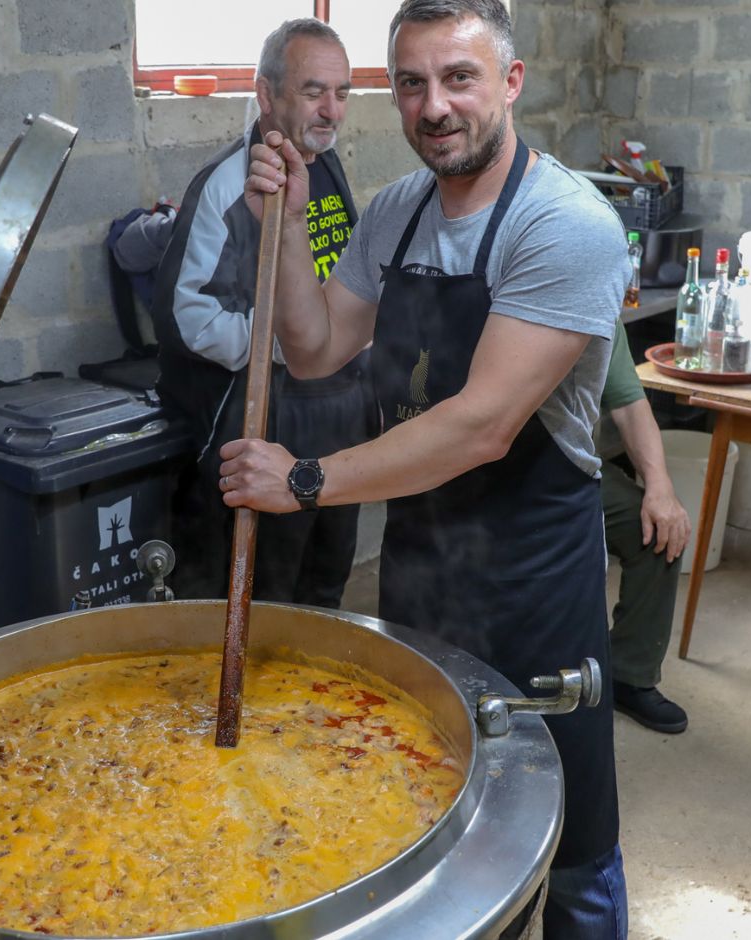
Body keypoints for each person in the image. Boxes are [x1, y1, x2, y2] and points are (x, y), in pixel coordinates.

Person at [225, 1, 630, 934]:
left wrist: (306, 480)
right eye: (411, 83)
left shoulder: (566, 224)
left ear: (511, 83)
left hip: (532, 578)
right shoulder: (399, 211)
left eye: (459, 78)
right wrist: (283, 226)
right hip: (419, 567)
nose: (434, 106)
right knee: (432, 824)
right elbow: (317, 345)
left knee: (570, 839)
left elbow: (481, 426)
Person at [142, 19, 369, 607]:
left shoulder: (327, 165)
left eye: (342, 93)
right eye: (313, 91)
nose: (332, 111)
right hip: (258, 418)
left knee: (324, 585)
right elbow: (185, 316)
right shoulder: (225, 185)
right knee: (265, 598)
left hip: (334, 416)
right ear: (266, 95)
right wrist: (286, 342)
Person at [599, 324, 691, 734]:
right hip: (473, 460)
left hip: (565, 467)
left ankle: (629, 673)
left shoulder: (592, 290)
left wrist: (660, 487)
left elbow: (629, 402)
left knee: (655, 528)